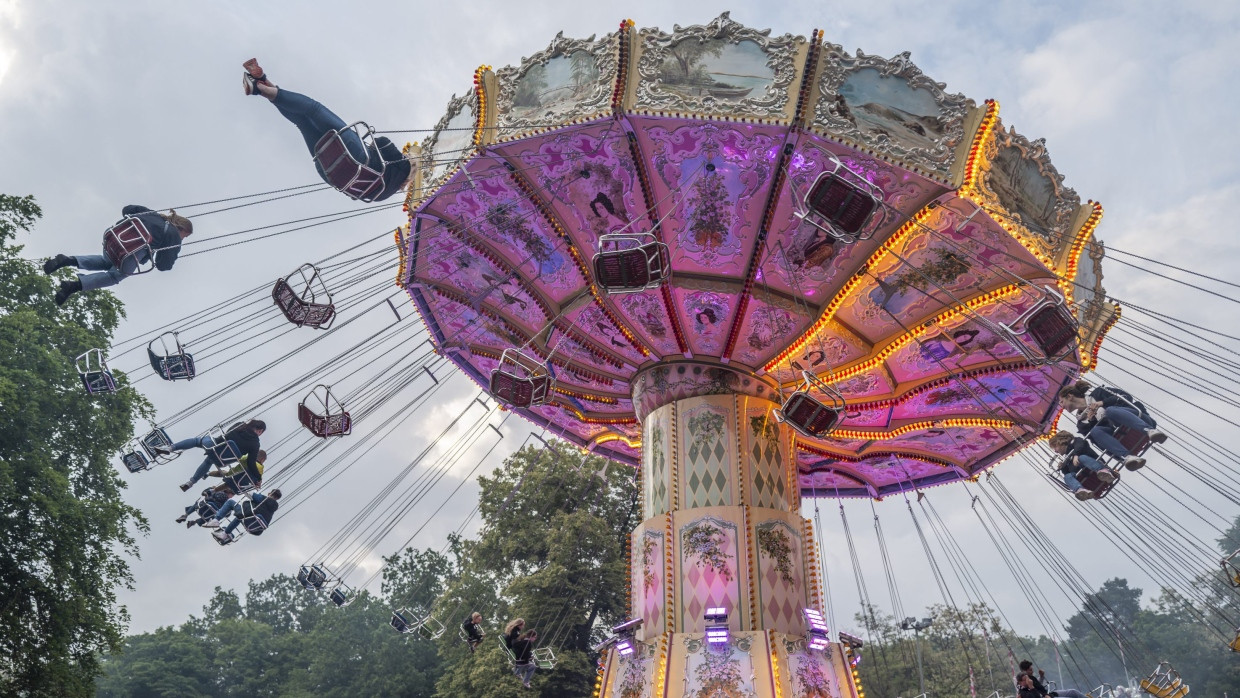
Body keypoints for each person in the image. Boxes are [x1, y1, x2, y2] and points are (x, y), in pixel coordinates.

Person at [241, 59, 412, 202]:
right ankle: (262, 84)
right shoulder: (382, 195)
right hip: (329, 170)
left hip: (357, 157)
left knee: (313, 109)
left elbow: (383, 143)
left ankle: (259, 87)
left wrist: (382, 151)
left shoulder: (403, 166)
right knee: (302, 122)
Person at [43, 206, 193, 305]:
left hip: (114, 239)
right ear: (180, 229)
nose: (182, 239)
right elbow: (164, 265)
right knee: (116, 276)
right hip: (131, 251)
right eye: (184, 236)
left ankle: (67, 260)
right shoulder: (173, 236)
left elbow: (127, 209)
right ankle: (73, 286)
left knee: (106, 262)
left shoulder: (153, 214)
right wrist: (161, 249)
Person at [1058, 381, 1167, 469]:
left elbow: (1126, 397)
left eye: (1062, 401)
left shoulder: (1099, 393)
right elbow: (1097, 442)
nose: (1061, 406)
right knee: (1095, 431)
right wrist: (1092, 421)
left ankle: (1149, 430)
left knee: (1110, 411)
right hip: (1118, 437)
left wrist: (1102, 403)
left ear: (1070, 396)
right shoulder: (1082, 424)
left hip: (1134, 418)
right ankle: (1127, 456)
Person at [160, 420, 265, 492]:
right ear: (260, 431)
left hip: (216, 446)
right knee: (209, 461)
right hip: (224, 459)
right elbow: (251, 463)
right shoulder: (256, 444)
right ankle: (191, 482)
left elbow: (228, 434)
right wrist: (258, 478)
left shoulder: (240, 425)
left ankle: (170, 448)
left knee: (197, 441)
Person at [1048, 431, 1117, 500]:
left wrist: (1076, 455)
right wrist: (1063, 467)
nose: (1055, 451)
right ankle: (1080, 490)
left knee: (1082, 458)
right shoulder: (1067, 459)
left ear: (1061, 442)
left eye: (1055, 447)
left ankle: (1102, 471)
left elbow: (1080, 445)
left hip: (1094, 464)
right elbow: (1069, 472)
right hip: (1086, 477)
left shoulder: (1076, 441)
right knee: (1067, 477)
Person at [207, 489, 282, 544]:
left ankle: (216, 520)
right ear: (277, 498)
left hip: (251, 518)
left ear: (270, 493)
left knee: (230, 502)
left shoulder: (264, 499)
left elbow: (249, 493)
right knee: (240, 516)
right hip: (255, 527)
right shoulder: (273, 509)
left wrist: (251, 487)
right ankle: (224, 533)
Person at [1018, 659, 1088, 698]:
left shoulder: (1031, 678)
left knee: (1072, 692)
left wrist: (1041, 676)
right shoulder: (1023, 686)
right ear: (1024, 671)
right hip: (1045, 696)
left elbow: (1038, 686)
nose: (1032, 671)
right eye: (1030, 670)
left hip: (1048, 694)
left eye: (1032, 669)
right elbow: (1035, 695)